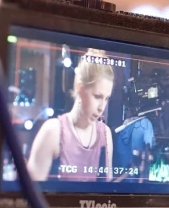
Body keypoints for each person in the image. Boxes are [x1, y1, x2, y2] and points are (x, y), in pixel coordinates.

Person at [27, 52, 114, 182]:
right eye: (97, 96)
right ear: (80, 88)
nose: (102, 107)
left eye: (106, 98)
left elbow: (108, 193)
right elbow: (31, 195)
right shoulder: (53, 132)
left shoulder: (105, 134)